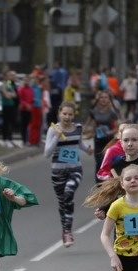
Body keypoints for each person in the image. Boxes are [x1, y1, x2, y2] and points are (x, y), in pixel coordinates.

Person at [44, 101, 92, 247]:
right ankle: (66, 230)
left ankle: (68, 231)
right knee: (63, 202)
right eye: (64, 113)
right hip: (58, 171)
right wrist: (56, 137)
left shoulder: (78, 128)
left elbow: (78, 144)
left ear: (74, 115)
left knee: (69, 192)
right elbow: (47, 153)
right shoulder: (53, 130)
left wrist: (87, 150)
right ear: (59, 113)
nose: (67, 117)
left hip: (75, 169)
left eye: (70, 114)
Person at [85, 90, 120, 175]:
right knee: (98, 162)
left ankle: (107, 180)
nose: (103, 99)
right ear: (98, 99)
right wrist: (89, 132)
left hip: (108, 140)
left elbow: (117, 128)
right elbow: (91, 124)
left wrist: (109, 132)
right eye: (101, 97)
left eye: (105, 97)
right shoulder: (94, 111)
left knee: (106, 161)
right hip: (98, 140)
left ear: (109, 99)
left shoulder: (112, 113)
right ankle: (98, 183)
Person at [0, 70, 19, 145]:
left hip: (12, 105)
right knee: (6, 122)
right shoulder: (3, 84)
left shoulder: (9, 84)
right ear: (5, 76)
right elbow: (6, 95)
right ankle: (5, 138)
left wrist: (10, 94)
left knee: (11, 122)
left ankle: (10, 138)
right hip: (6, 105)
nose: (9, 77)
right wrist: (9, 94)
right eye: (8, 75)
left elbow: (15, 94)